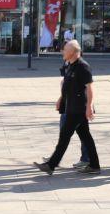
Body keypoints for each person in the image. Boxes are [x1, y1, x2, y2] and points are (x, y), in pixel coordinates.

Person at [34, 40, 100, 175]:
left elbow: (90, 88)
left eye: (65, 50)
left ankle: (51, 165)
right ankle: (94, 165)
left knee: (64, 137)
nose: (62, 52)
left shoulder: (83, 67)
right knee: (86, 137)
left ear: (73, 52)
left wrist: (89, 107)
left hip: (78, 109)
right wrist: (60, 99)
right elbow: (67, 87)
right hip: (71, 106)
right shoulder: (70, 65)